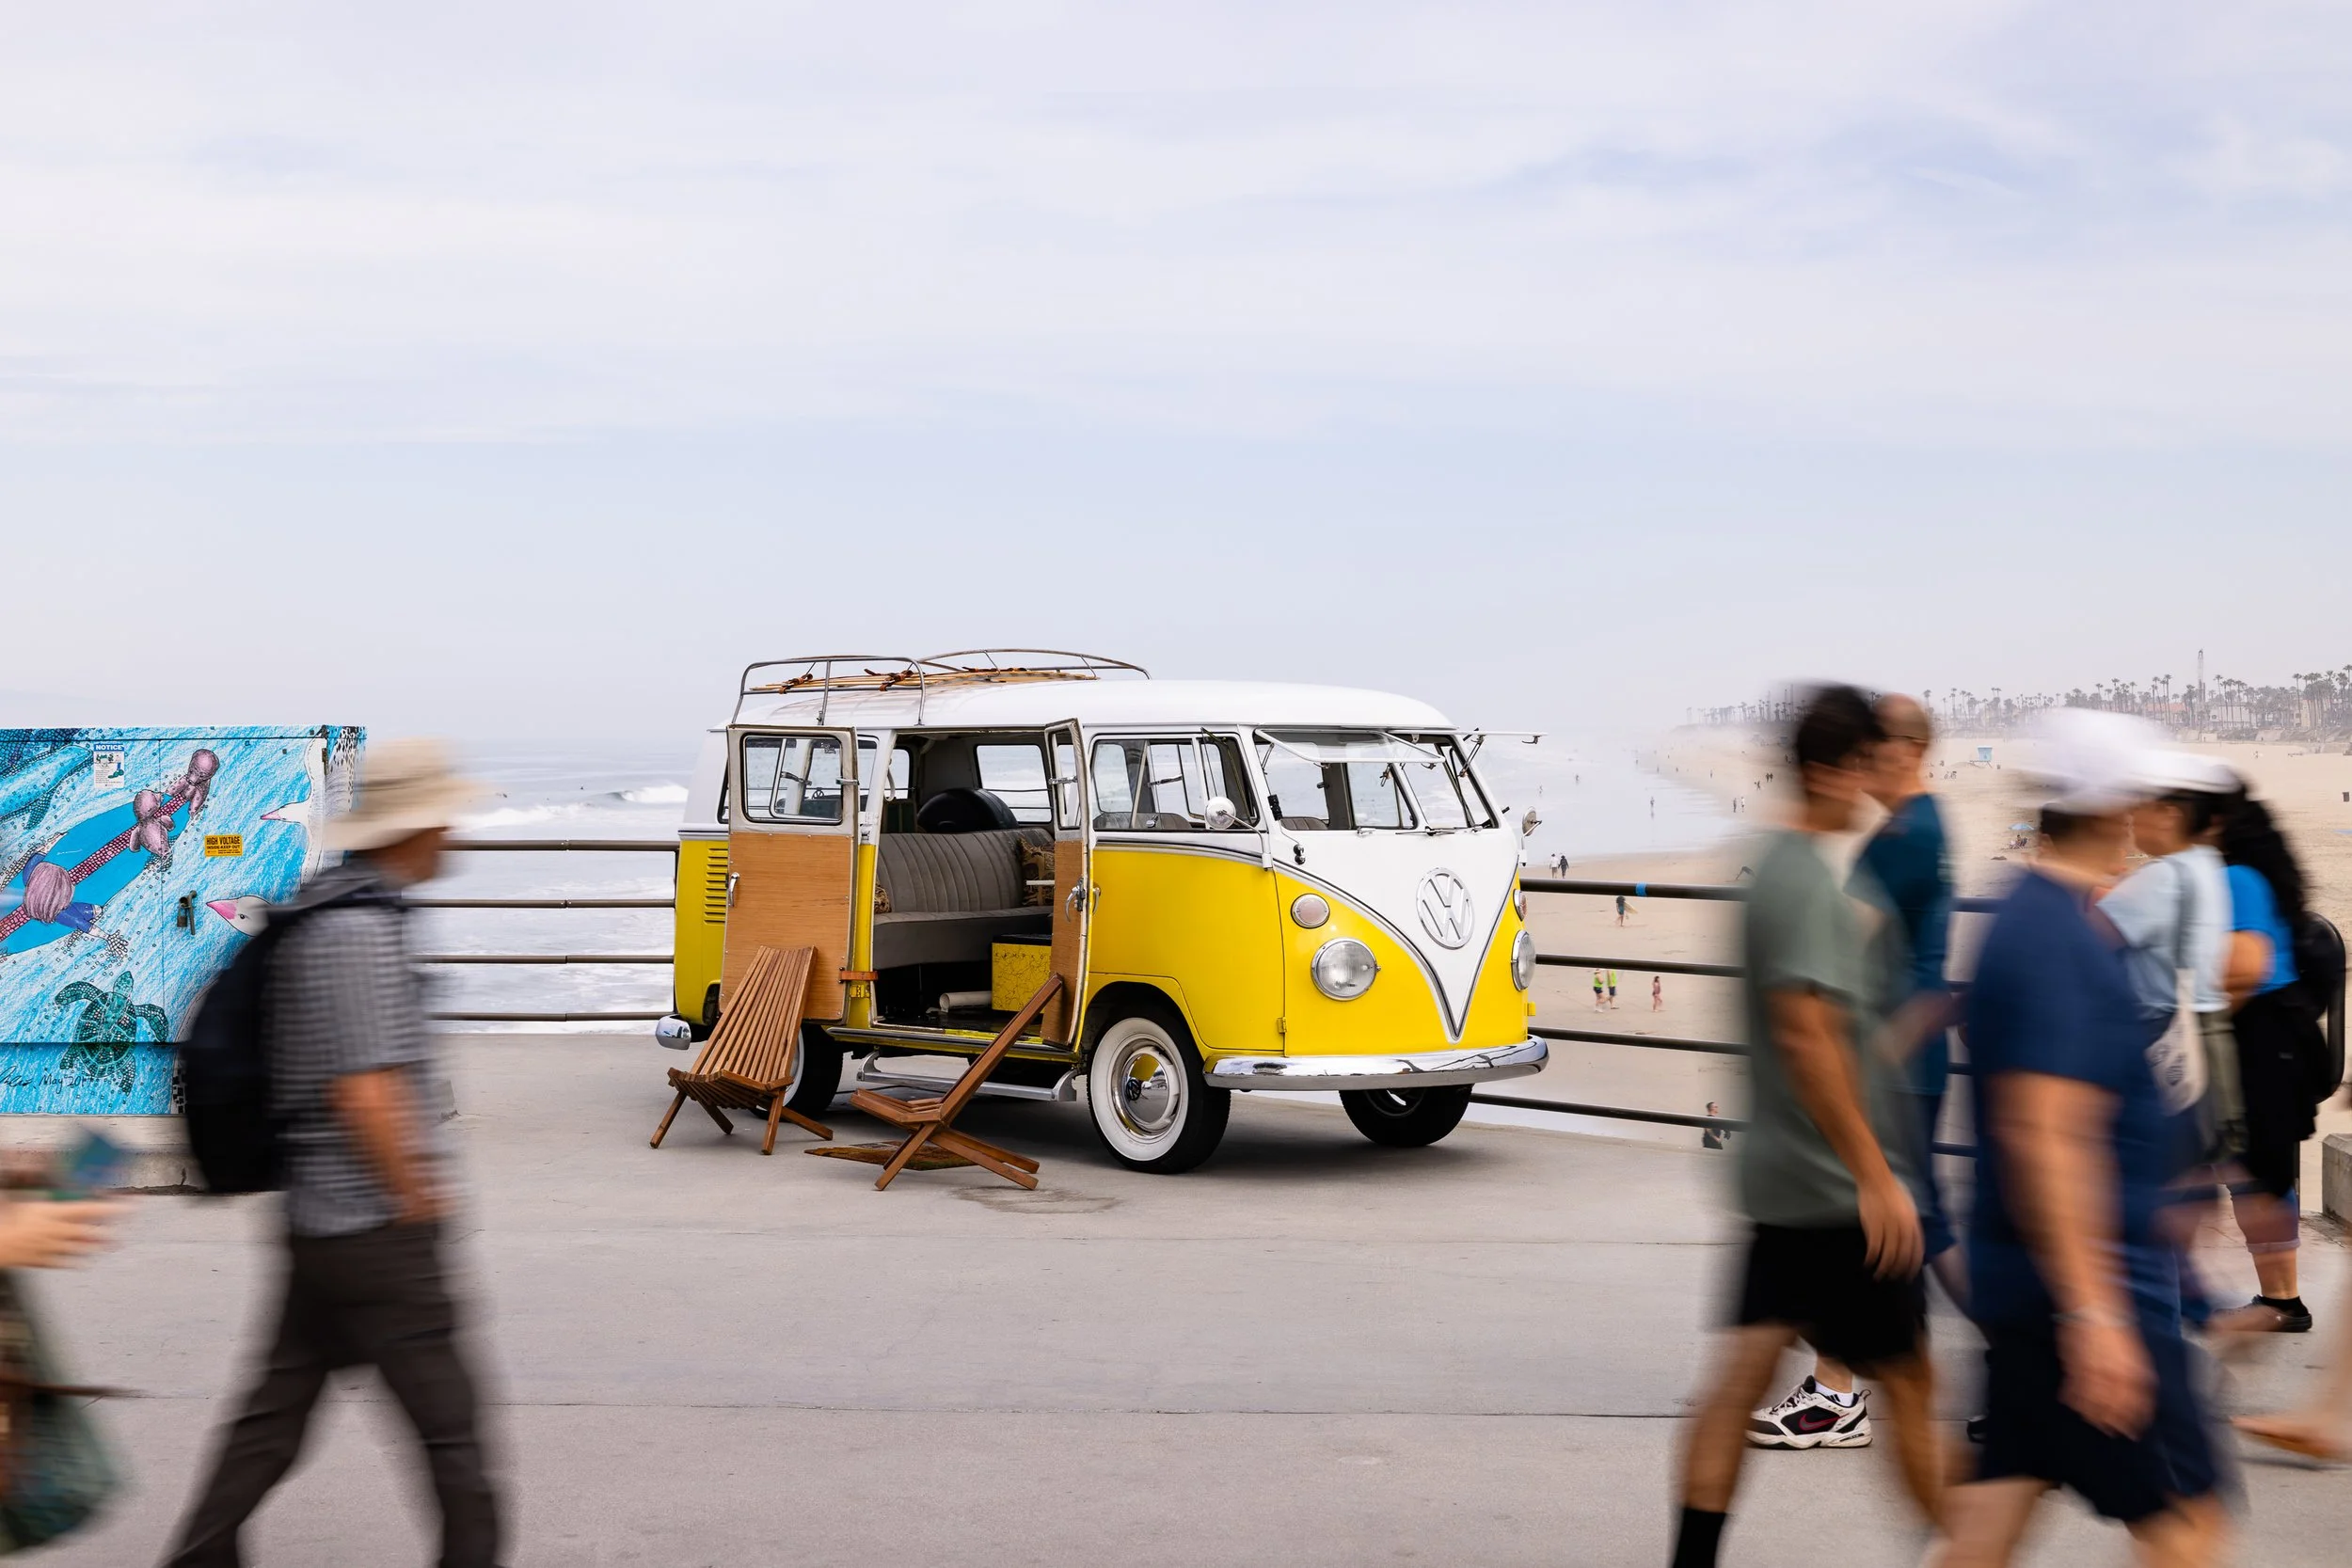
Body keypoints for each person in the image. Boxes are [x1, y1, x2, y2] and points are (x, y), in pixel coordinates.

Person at [164, 739, 503, 1568]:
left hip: (325, 1223)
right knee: (455, 1437)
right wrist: (417, 1193)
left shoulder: (341, 907)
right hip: (371, 1230)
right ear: (414, 826)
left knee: (272, 1419)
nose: (454, 834)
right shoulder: (356, 929)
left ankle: (199, 1556)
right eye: (444, 819)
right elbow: (364, 1088)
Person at [1932, 710, 2224, 1568]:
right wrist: (2094, 1317)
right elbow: (2042, 1136)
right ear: (2112, 804)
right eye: (2138, 789)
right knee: (2189, 1526)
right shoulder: (2050, 936)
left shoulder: (2045, 916)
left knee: (1986, 1528)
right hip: (2091, 1294)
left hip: (2041, 1290)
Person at [1670, 688, 1938, 1568]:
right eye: (1863, 763)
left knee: (1739, 1376)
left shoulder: (1788, 866)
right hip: (1833, 1190)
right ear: (1828, 767)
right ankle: (1971, 1549)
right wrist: (1874, 1175)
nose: (1871, 782)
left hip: (1783, 1176)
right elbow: (1803, 1035)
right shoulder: (1800, 876)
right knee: (1909, 1386)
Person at [1752, 693, 1957, 1450]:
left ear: (1906, 749)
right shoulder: (1922, 825)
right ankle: (1841, 1385)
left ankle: (1843, 1391)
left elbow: (1850, 940)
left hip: (1890, 1061)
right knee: (1897, 1227)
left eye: (1878, 749)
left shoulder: (1906, 835)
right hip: (1900, 1057)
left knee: (1903, 1228)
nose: (1868, 763)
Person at [2206, 794, 2328, 1335]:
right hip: (2280, 1039)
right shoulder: (2263, 875)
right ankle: (2281, 1299)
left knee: (2256, 1176)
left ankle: (2282, 1301)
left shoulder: (2236, 879)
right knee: (2260, 1175)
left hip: (2260, 1041)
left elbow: (2242, 970)